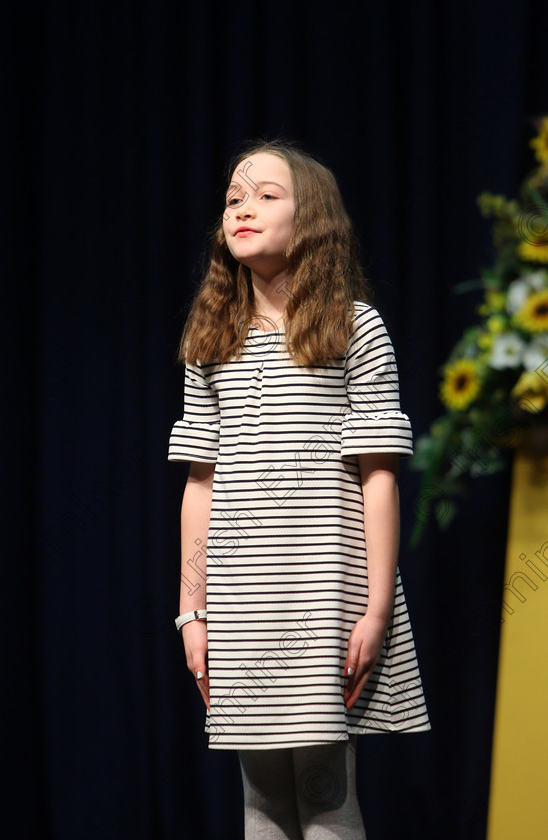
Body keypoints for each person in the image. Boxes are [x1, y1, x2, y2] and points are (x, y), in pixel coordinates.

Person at [168, 140, 430, 839]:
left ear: (310, 218)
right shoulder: (210, 337)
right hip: (242, 595)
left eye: (266, 195)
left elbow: (379, 475)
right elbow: (203, 481)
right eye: (232, 197)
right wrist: (191, 612)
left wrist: (375, 609)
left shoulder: (354, 327)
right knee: (260, 799)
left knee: (323, 790)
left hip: (322, 590)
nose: (243, 208)